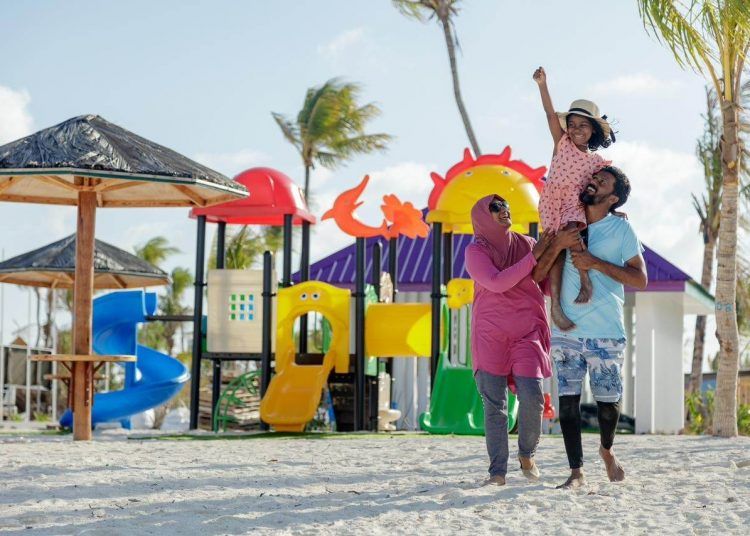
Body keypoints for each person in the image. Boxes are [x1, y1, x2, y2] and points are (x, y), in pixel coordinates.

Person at [465, 194, 579, 486]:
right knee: (495, 408)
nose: (504, 210)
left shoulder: (527, 243)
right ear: (481, 216)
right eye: (496, 207)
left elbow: (546, 286)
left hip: (528, 332)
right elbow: (496, 282)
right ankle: (497, 473)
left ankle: (527, 453)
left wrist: (560, 253)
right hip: (490, 336)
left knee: (533, 398)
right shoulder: (475, 251)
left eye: (505, 205)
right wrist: (534, 256)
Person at [551, 167, 648, 489]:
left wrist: (595, 263)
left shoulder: (622, 229)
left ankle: (606, 450)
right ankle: (576, 471)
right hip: (567, 329)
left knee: (608, 404)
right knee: (568, 402)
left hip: (606, 329)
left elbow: (640, 279)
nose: (593, 182)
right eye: (594, 178)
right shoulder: (568, 221)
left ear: (614, 198)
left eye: (602, 181)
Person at [533, 66, 616, 331]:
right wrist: (542, 85)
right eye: (572, 124)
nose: (576, 129)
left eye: (583, 125)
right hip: (551, 201)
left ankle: (585, 279)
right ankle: (555, 305)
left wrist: (615, 210)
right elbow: (549, 114)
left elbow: (607, 188)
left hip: (572, 203)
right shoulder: (562, 143)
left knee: (572, 233)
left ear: (593, 130)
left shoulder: (596, 162)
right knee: (556, 248)